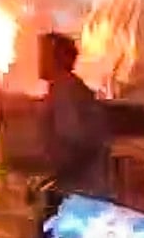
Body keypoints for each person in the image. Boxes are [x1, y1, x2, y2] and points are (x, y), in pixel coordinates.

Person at [39, 32, 110, 211]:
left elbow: (74, 138)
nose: (40, 60)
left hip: (76, 193)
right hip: (79, 190)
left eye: (45, 53)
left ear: (60, 57)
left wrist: (54, 179)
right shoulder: (68, 88)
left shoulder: (66, 90)